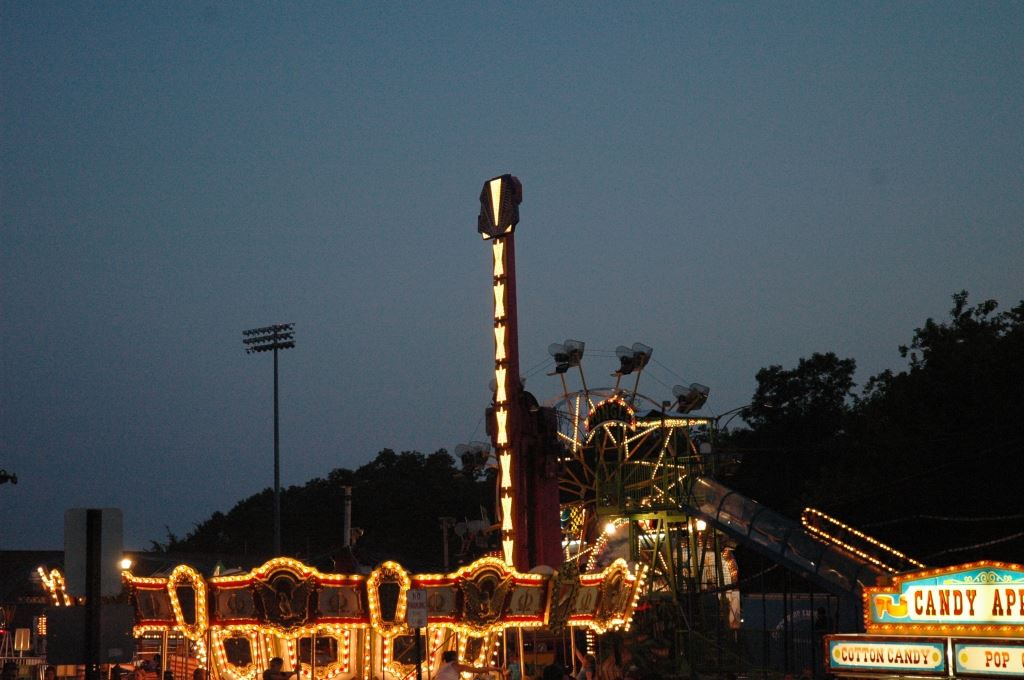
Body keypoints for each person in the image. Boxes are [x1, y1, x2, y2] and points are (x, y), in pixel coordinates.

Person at [436, 651, 506, 680]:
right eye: (457, 656)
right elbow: (478, 670)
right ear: (454, 657)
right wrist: (496, 669)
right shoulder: (456, 666)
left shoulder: (443, 666)